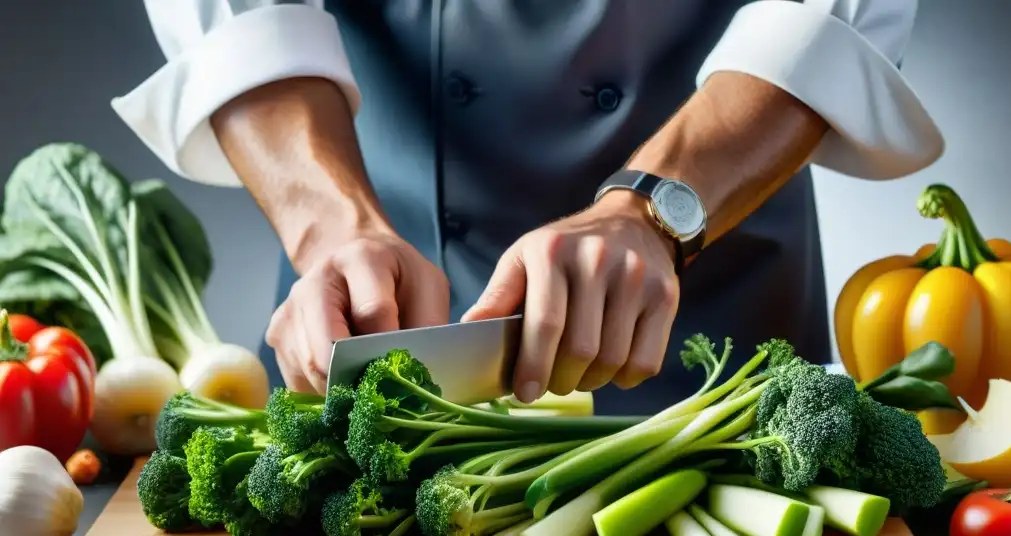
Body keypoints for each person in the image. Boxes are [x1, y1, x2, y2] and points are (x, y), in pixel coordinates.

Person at [113, 0, 942, 416]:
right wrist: (331, 228)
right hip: (384, 300)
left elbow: (823, 15)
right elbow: (238, 15)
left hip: (716, 307)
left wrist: (653, 210)